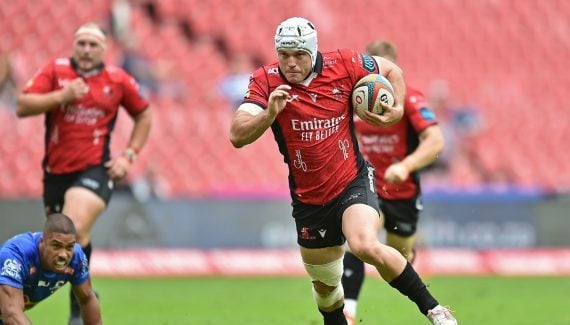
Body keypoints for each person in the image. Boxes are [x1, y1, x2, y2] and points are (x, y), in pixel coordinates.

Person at [229, 17, 456, 325]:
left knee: (363, 244)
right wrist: (269, 114)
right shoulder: (266, 81)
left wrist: (399, 107)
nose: (291, 63)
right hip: (309, 199)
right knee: (326, 291)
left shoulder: (346, 63)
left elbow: (391, 69)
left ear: (313, 51)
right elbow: (238, 135)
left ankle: (435, 310)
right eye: (284, 55)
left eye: (298, 55)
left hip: (352, 180)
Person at [16, 22, 152, 324]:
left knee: (71, 227)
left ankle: (60, 302)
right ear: (74, 46)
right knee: (73, 236)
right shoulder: (56, 71)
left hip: (95, 170)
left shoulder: (117, 79)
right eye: (82, 43)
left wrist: (129, 156)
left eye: (94, 44)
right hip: (55, 174)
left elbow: (144, 114)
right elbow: (23, 105)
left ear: (104, 49)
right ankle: (83, 295)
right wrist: (60, 97)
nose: (87, 50)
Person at [341, 39, 446, 324]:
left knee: (401, 255)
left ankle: (408, 261)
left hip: (402, 189)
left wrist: (406, 165)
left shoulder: (410, 100)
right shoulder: (354, 101)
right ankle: (348, 310)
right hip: (366, 185)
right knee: (358, 242)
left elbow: (435, 140)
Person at [0, 213, 101, 325]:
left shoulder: (76, 258)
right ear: (42, 242)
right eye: (56, 246)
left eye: (69, 247)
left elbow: (87, 299)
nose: (63, 254)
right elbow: (11, 312)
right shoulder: (16, 256)